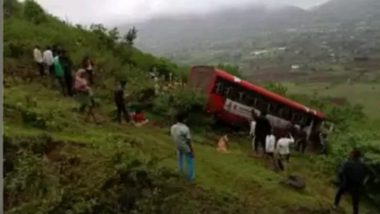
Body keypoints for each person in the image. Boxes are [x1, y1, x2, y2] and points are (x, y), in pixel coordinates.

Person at [333, 149, 371, 214]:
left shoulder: (346, 163)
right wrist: (365, 181)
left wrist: (342, 180)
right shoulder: (363, 164)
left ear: (352, 155)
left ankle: (335, 205)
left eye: (350, 153)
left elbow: (340, 173)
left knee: (339, 192)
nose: (349, 154)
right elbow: (372, 174)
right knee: (355, 202)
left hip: (347, 183)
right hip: (357, 185)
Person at [170, 112, 195, 181]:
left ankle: (179, 169)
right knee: (190, 160)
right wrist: (192, 151)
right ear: (184, 119)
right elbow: (188, 141)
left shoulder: (173, 127)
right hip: (184, 146)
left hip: (177, 145)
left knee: (180, 157)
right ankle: (190, 177)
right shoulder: (185, 128)